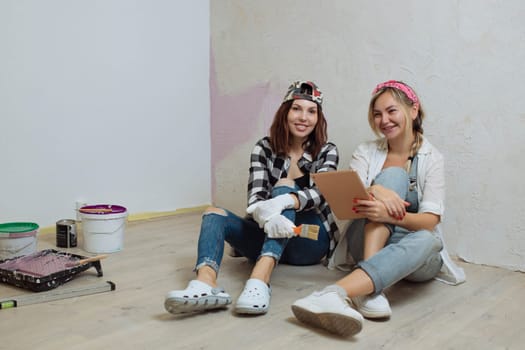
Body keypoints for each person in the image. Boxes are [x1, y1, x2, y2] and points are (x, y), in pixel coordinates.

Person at [291, 80, 465, 337]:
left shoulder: (432, 158)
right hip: (368, 241)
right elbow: (351, 198)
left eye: (391, 111)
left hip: (414, 255)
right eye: (377, 114)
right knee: (393, 176)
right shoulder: (367, 151)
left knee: (428, 240)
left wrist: (389, 214)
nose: (384, 120)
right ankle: (365, 289)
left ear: (413, 110)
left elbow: (430, 221)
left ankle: (338, 292)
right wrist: (377, 191)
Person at [164, 81, 340, 315]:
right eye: (297, 108)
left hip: (308, 240)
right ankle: (206, 283)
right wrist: (268, 219)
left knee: (283, 186)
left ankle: (259, 279)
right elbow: (255, 201)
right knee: (212, 213)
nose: (303, 117)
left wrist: (284, 200)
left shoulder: (327, 150)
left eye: (311, 111)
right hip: (270, 233)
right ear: (285, 111)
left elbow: (320, 194)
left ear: (318, 118)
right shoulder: (264, 148)